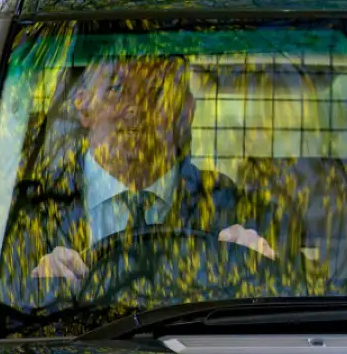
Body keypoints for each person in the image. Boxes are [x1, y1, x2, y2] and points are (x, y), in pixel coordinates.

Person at [28, 55, 275, 282]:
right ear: (84, 106)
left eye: (157, 92)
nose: (136, 108)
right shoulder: (33, 209)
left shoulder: (231, 206)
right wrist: (38, 287)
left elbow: (278, 291)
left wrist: (260, 270)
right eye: (116, 89)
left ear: (186, 110)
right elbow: (13, 299)